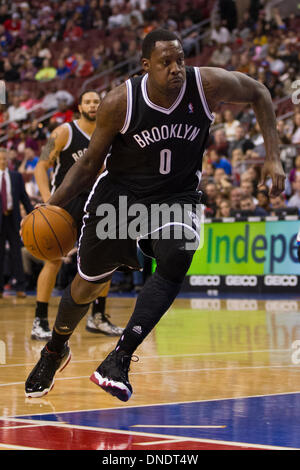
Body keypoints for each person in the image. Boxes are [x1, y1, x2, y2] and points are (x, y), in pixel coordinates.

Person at [25, 28, 286, 400]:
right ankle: (55, 348)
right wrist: (53, 204)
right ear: (146, 66)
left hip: (175, 197)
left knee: (180, 254)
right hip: (121, 199)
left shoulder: (205, 85)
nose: (176, 68)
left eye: (180, 59)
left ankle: (120, 358)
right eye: (166, 62)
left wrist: (273, 156)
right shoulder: (120, 102)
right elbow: (88, 167)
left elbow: (259, 91)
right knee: (85, 286)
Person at [31, 90, 123, 341]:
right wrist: (48, 201)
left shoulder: (108, 133)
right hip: (66, 201)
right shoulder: (62, 132)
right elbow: (40, 165)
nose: (93, 105)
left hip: (97, 201)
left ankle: (98, 317)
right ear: (79, 107)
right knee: (53, 260)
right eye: (88, 102)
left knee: (107, 258)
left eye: (97, 102)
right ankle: (39, 321)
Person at [0, 148, 33, 298]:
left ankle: (21, 287)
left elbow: (24, 198)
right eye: (0, 159)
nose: (2, 161)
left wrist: (33, 214)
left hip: (13, 219)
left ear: (8, 160)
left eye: (4, 159)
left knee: (17, 254)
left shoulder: (16, 176)